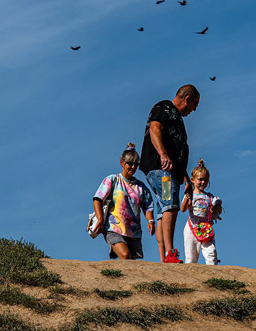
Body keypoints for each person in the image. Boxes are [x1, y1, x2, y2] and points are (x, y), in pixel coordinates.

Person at [140, 84, 200, 263]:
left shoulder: (178, 119)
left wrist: (186, 179)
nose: (193, 110)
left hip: (170, 170)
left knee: (162, 211)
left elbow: (178, 153)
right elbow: (154, 129)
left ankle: (164, 257)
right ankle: (169, 253)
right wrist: (163, 154)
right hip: (161, 168)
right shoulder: (164, 107)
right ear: (187, 99)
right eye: (194, 105)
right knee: (170, 205)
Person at [91, 143, 155, 260]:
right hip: (113, 227)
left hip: (133, 231)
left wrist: (150, 221)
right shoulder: (113, 180)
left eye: (136, 164)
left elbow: (147, 206)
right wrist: (100, 219)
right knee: (125, 255)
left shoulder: (141, 187)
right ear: (122, 162)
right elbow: (97, 199)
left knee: (131, 262)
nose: (132, 167)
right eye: (129, 163)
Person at [180, 159, 222, 265]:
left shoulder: (209, 197)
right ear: (193, 179)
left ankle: (212, 275)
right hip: (191, 228)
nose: (203, 182)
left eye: (205, 180)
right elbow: (183, 209)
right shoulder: (191, 195)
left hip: (206, 229)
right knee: (191, 257)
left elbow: (219, 208)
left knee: (211, 253)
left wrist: (216, 208)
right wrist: (187, 196)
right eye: (200, 179)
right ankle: (190, 279)